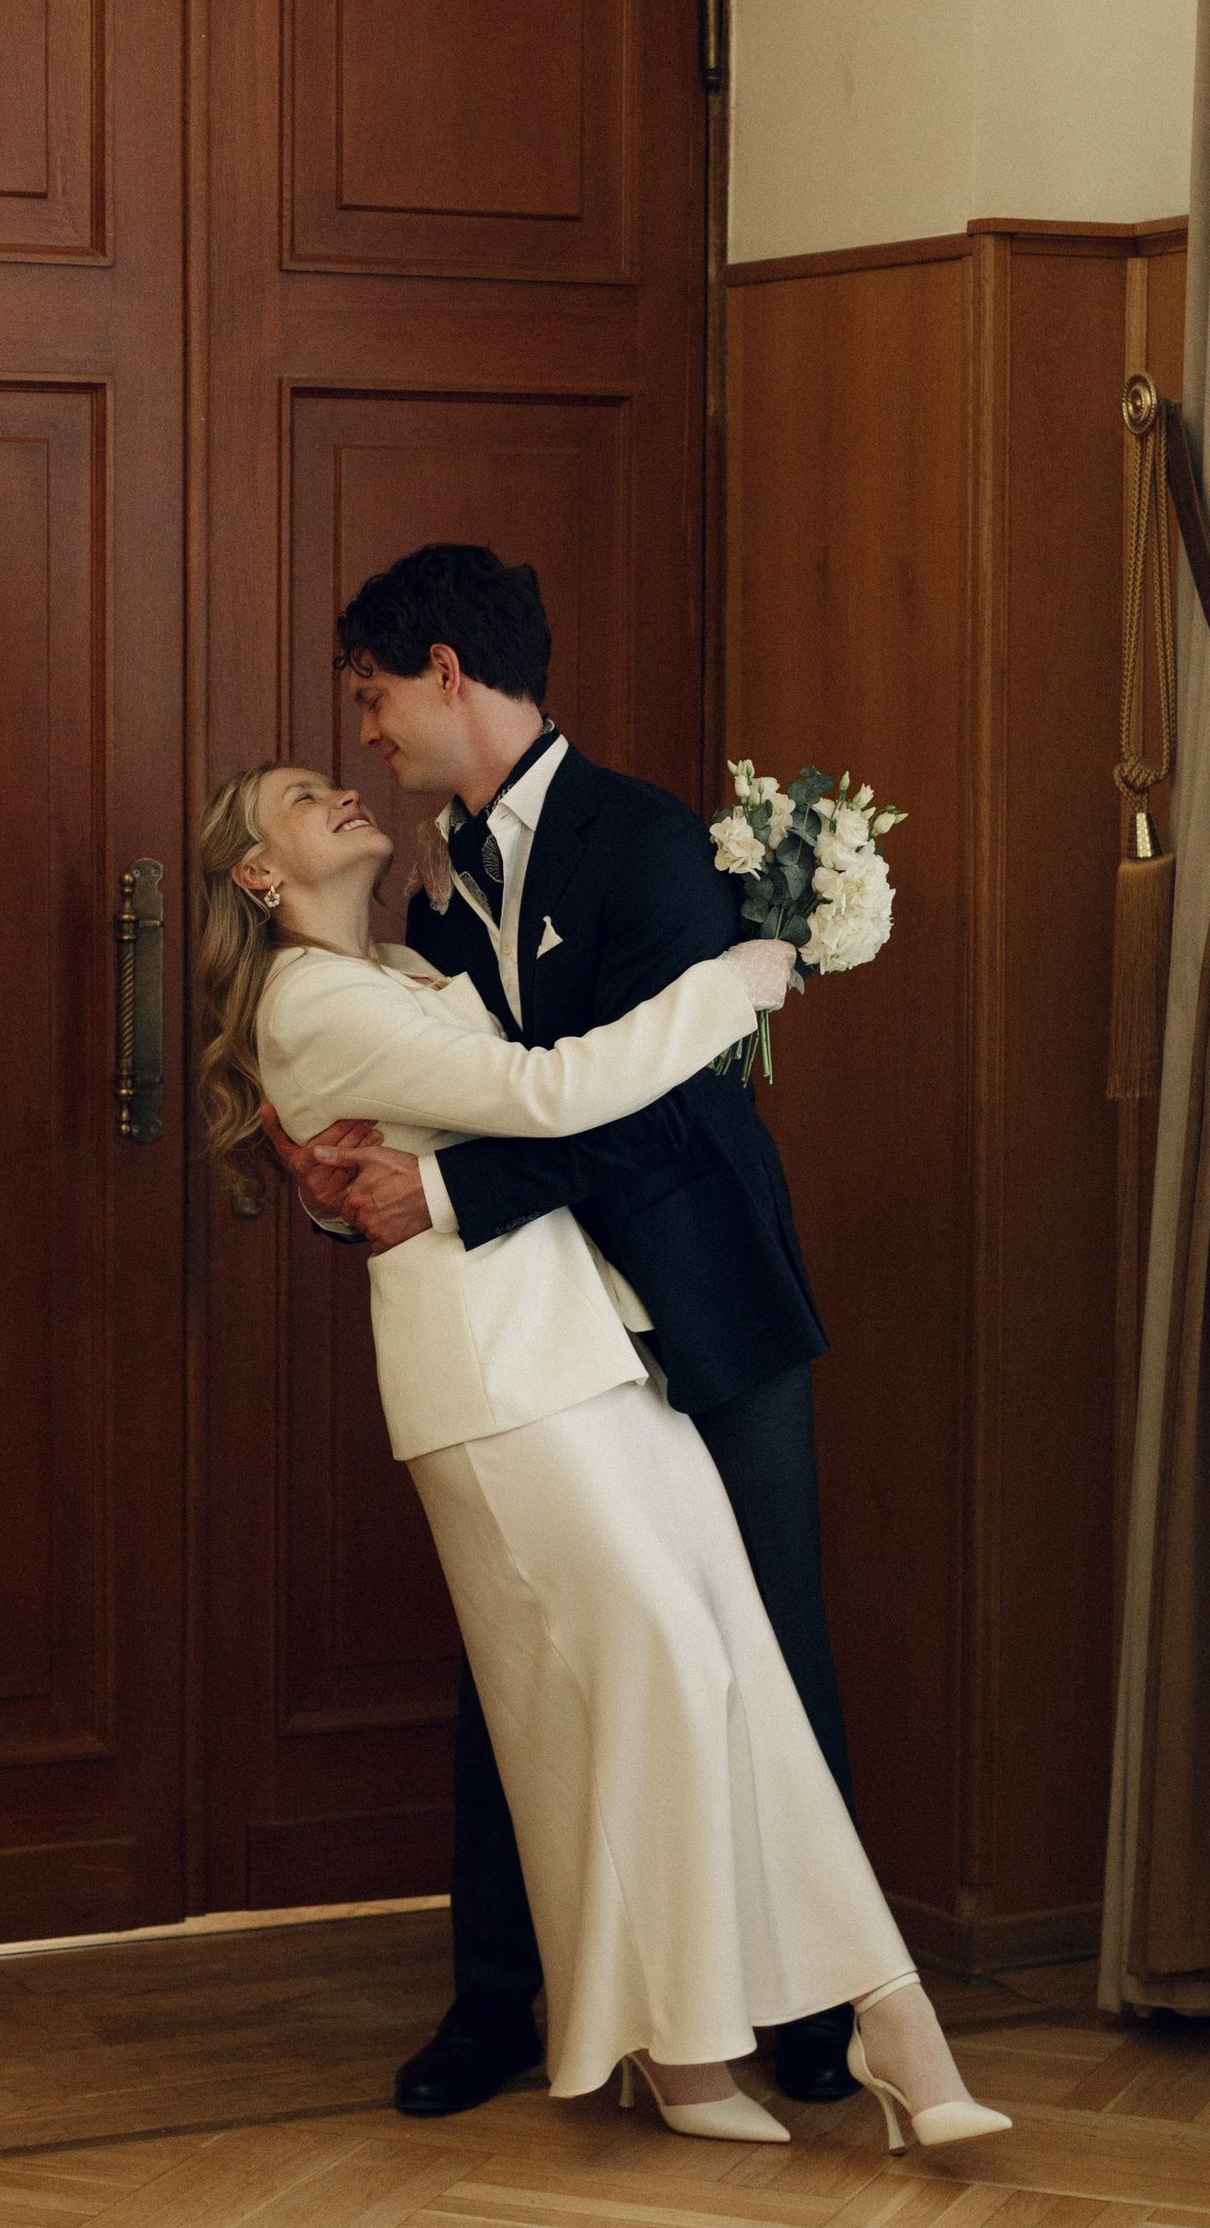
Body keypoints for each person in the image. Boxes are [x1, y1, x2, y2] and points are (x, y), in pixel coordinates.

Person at [197, 754, 1009, 2150]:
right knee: (664, 1677)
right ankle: (709, 2049)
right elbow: (545, 1092)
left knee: (730, 1667)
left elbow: (439, 1139)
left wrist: (373, 1184)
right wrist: (732, 986)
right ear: (259, 874)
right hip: (495, 1383)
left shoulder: (407, 959)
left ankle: (865, 2028)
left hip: (602, 1348)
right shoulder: (311, 998)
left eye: (344, 759)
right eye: (299, 793)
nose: (343, 784)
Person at [264, 546, 867, 2116]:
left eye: (376, 695)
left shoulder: (647, 837)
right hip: (544, 1334)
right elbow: (427, 1100)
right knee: (520, 1647)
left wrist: (447, 1193)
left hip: (707, 1295)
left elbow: (655, 1106)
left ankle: (813, 2009)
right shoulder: (426, 881)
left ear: (447, 671)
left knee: (764, 1642)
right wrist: (348, 1195)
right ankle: (502, 2000)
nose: (370, 733)